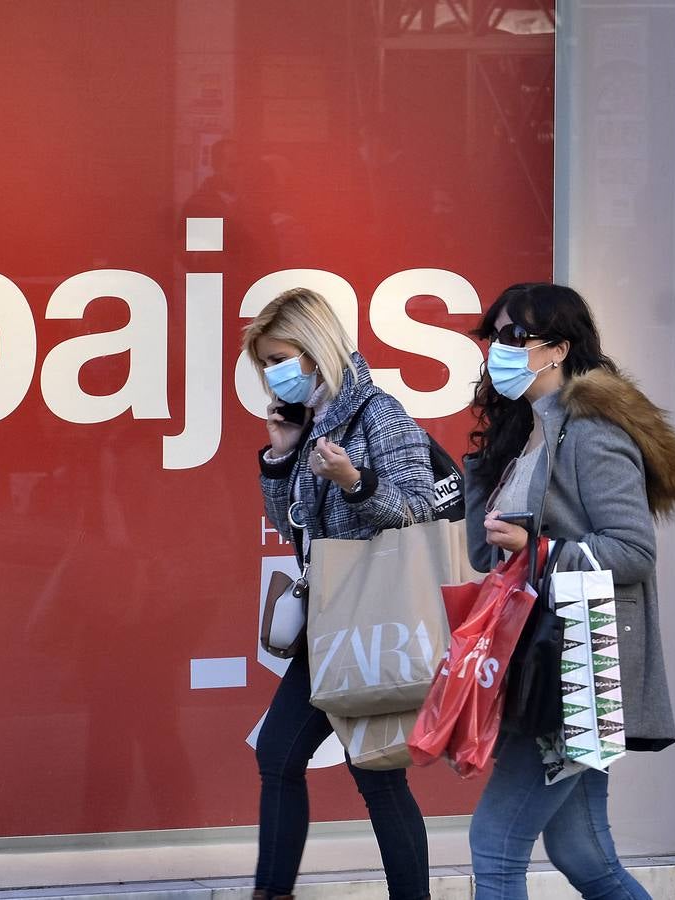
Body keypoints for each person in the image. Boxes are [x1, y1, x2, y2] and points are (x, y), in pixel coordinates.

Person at [462, 282, 675, 899]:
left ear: (556, 349)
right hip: (542, 665)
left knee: (496, 842)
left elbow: (634, 551)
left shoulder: (593, 432)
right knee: (582, 853)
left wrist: (542, 551)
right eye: (494, 338)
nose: (498, 352)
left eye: (514, 338)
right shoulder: (524, 434)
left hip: (579, 669)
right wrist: (484, 470)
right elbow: (486, 555)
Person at [245, 287, 436, 900]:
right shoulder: (316, 421)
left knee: (377, 775)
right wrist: (280, 457)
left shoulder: (379, 413)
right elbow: (294, 525)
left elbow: (415, 509)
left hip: (371, 618)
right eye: (266, 364)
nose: (274, 375)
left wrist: (354, 480)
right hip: (330, 620)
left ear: (314, 348)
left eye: (279, 358)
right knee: (279, 754)